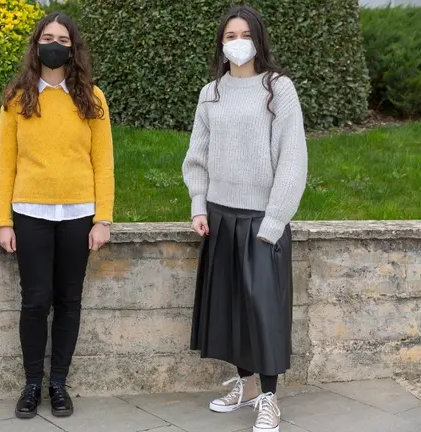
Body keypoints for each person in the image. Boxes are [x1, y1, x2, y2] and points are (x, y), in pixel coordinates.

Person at [182, 5, 307, 432]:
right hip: (220, 218)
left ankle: (269, 398)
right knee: (232, 307)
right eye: (230, 35)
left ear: (258, 39)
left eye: (244, 34)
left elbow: (292, 160)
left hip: (261, 221)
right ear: (221, 43)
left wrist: (273, 222)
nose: (237, 42)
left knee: (263, 311)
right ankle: (246, 385)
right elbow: (196, 157)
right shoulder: (210, 93)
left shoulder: (278, 89)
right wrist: (200, 205)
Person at [0, 11, 114, 419]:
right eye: (48, 37)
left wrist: (103, 219)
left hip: (79, 213)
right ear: (36, 44)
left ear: (73, 48)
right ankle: (31, 385)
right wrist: (2, 221)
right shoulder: (16, 98)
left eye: (63, 39)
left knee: (69, 300)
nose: (55, 45)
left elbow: (104, 162)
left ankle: (58, 384)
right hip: (30, 212)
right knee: (35, 301)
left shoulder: (92, 98)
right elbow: (4, 164)